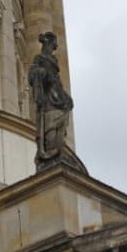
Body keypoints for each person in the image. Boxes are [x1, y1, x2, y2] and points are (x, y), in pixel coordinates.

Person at [28, 32, 74, 168]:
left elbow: (57, 82)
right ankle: (50, 154)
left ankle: (57, 153)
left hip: (57, 98)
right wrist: (43, 74)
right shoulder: (39, 58)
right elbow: (32, 75)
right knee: (50, 130)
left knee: (59, 132)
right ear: (47, 44)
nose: (54, 48)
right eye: (53, 45)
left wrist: (66, 98)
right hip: (48, 100)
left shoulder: (54, 62)